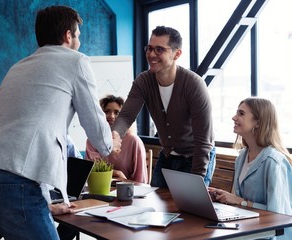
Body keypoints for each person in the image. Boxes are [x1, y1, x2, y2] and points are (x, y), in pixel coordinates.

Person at [0, 5, 121, 240]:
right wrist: (111, 142)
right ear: (68, 35)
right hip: (11, 178)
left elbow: (25, 135)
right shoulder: (76, 61)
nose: (79, 43)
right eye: (78, 36)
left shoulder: (18, 66)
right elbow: (96, 128)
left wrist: (43, 205)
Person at [112, 26, 215, 188]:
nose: (152, 54)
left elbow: (203, 142)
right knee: (156, 204)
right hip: (168, 155)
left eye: (159, 50)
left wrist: (197, 183)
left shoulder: (194, 85)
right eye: (150, 48)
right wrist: (115, 135)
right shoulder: (143, 81)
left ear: (177, 54)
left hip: (196, 156)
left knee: (191, 208)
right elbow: (125, 117)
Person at [209, 97, 292, 240]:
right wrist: (223, 197)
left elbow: (280, 216)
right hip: (246, 229)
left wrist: (239, 201)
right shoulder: (242, 157)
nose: (234, 117)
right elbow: (238, 201)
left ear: (258, 122)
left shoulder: (274, 162)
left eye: (241, 114)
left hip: (268, 236)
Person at [86, 95, 148, 183]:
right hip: (98, 189)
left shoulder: (134, 142)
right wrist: (117, 173)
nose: (111, 116)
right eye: (107, 111)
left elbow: (141, 181)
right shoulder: (92, 140)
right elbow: (94, 171)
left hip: (128, 193)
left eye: (117, 112)